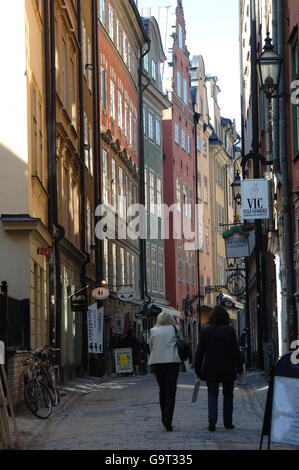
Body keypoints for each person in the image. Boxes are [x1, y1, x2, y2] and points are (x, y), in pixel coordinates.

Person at [194, 305, 243, 432]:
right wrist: (239, 368)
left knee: (212, 393)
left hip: (211, 367)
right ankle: (228, 422)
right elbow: (235, 351)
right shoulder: (229, 330)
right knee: (228, 395)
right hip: (227, 367)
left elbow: (200, 352)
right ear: (226, 317)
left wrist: (197, 369)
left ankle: (212, 421)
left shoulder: (205, 330)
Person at [148, 312, 181, 432]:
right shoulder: (175, 329)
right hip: (172, 362)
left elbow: (151, 347)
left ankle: (163, 418)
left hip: (158, 363)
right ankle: (168, 420)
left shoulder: (153, 330)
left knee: (162, 391)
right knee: (171, 393)